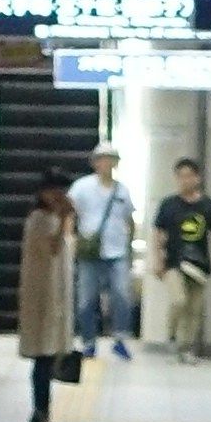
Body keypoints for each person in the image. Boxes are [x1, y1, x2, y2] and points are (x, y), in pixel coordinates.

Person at [14, 184, 83, 422]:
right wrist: (65, 217)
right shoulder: (39, 219)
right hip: (42, 300)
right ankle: (39, 416)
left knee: (47, 359)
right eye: (55, 193)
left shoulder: (52, 218)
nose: (59, 198)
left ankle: (42, 416)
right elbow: (53, 249)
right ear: (42, 193)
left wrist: (66, 220)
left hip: (52, 299)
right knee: (43, 360)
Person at [67, 149, 140, 358]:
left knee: (122, 296)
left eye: (110, 160)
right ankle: (89, 341)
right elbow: (70, 214)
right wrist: (70, 238)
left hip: (117, 252)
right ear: (95, 163)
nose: (106, 164)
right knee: (86, 300)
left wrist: (130, 245)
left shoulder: (122, 191)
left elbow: (129, 220)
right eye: (102, 160)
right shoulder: (82, 187)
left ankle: (120, 338)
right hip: (89, 253)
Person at [153, 160, 211, 359]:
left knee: (195, 308)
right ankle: (171, 336)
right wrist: (158, 259)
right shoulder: (168, 204)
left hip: (199, 263)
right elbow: (158, 233)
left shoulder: (207, 205)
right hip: (174, 262)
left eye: (188, 176)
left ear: (197, 178)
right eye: (180, 176)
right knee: (178, 301)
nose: (184, 180)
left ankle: (186, 347)